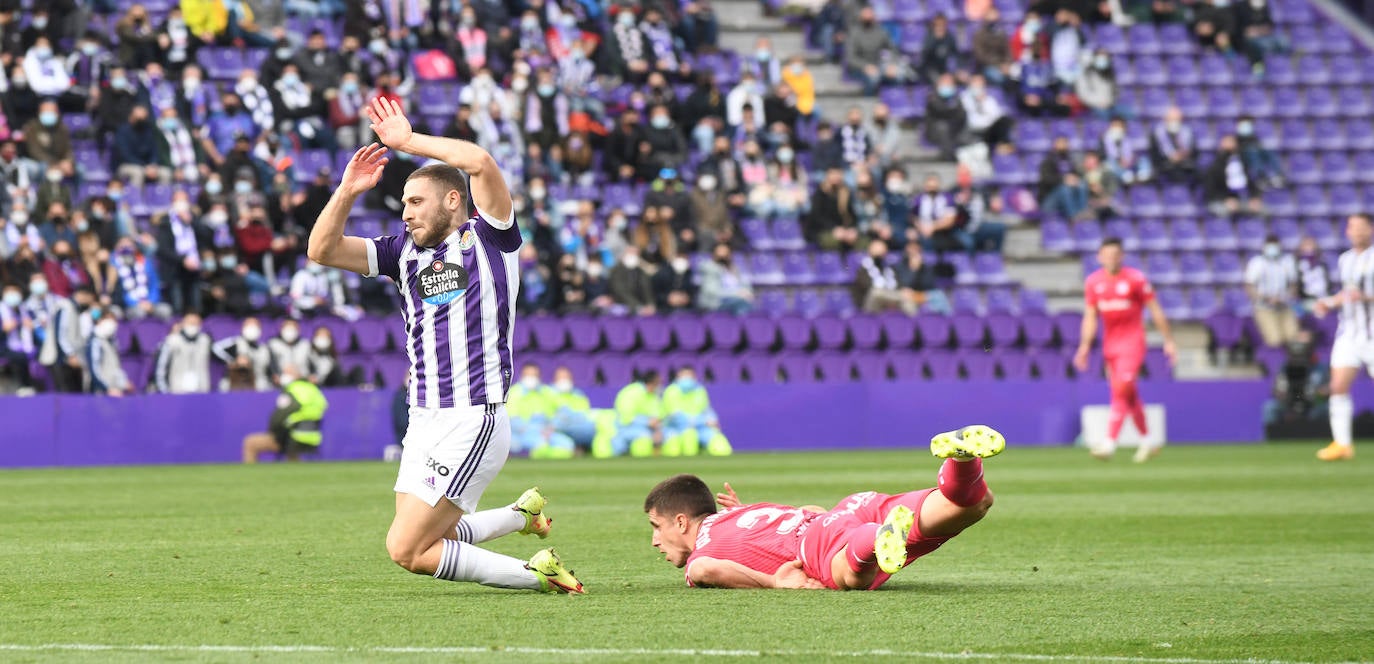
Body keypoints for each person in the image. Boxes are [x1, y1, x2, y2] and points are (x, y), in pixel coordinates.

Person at [304, 98, 583, 593]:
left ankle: (535, 574)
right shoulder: (401, 254)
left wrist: (406, 142)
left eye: (415, 202)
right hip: (423, 417)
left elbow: (479, 162)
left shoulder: (491, 237)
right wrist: (347, 189)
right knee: (433, 533)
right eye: (403, 204)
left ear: (452, 201)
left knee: (407, 549)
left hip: (470, 415)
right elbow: (321, 249)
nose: (405, 213)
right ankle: (521, 515)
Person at [643, 425, 1004, 590]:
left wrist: (778, 582)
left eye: (656, 527)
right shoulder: (740, 516)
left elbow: (705, 567)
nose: (655, 541)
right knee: (970, 506)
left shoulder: (702, 551)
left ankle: (876, 539)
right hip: (845, 511)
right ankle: (962, 460)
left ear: (680, 521)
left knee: (850, 577)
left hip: (822, 543)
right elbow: (809, 508)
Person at [1074, 238, 1177, 462]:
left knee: (1120, 390)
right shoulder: (1094, 282)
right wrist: (1084, 346)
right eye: (1107, 255)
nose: (1111, 259)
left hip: (1133, 343)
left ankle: (1109, 444)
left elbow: (1155, 310)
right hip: (1110, 346)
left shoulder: (1135, 279)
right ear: (1099, 257)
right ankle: (1148, 441)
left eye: (1115, 255)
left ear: (1121, 256)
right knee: (1129, 395)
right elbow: (1090, 316)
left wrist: (1168, 340)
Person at [1311, 213, 1374, 462]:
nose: (1356, 231)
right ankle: (1342, 444)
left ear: (1371, 229)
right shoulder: (1345, 260)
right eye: (1351, 227)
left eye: (1361, 226)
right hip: (1349, 333)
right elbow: (1348, 293)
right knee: (1337, 386)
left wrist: (1367, 297)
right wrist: (1330, 302)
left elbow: (1361, 294)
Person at [241, 366, 329, 463]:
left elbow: (280, 416)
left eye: (286, 373)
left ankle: (253, 475)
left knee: (250, 442)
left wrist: (273, 430)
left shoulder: (292, 390)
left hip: (290, 438)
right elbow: (322, 407)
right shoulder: (313, 389)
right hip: (313, 438)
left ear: (294, 375)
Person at [661, 367, 732, 457]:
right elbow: (675, 416)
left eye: (689, 375)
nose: (687, 378)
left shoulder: (700, 390)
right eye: (684, 375)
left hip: (701, 428)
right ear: (678, 377)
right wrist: (703, 421)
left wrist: (713, 420)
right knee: (689, 437)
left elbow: (707, 410)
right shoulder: (671, 391)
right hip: (676, 429)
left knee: (720, 443)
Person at [1245, 235, 1301, 348]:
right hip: (1264, 307)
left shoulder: (1287, 261)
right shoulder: (1257, 262)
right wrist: (1266, 298)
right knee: (1275, 340)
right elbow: (1249, 286)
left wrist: (1286, 297)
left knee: (1293, 337)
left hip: (1284, 305)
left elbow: (1293, 284)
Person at [594, 370, 664, 458]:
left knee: (668, 435)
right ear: (653, 382)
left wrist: (657, 428)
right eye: (659, 383)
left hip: (648, 429)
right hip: (624, 428)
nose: (661, 386)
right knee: (643, 438)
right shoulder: (631, 392)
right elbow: (626, 417)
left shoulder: (655, 396)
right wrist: (647, 422)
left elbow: (658, 416)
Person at [153, 313, 212, 394]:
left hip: (202, 391)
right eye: (190, 323)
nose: (192, 326)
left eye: (195, 323)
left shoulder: (206, 340)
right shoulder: (171, 340)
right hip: (177, 391)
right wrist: (165, 393)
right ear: (182, 323)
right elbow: (161, 368)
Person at [212, 317, 273, 391]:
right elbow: (215, 348)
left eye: (255, 326)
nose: (252, 329)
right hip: (235, 383)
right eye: (249, 326)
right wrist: (233, 361)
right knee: (224, 385)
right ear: (242, 328)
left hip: (258, 384)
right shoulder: (236, 342)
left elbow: (270, 370)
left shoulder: (264, 348)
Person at [548, 366, 596, 454]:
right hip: (554, 430)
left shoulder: (578, 395)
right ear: (554, 379)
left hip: (576, 429)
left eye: (566, 377)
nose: (564, 380)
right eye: (561, 378)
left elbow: (585, 415)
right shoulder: (547, 394)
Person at [85, 315, 129, 396]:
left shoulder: (110, 342)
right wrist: (106, 388)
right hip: (100, 392)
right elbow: (94, 370)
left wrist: (123, 383)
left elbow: (115, 367)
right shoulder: (95, 342)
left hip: (113, 390)